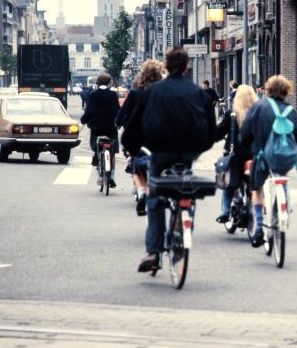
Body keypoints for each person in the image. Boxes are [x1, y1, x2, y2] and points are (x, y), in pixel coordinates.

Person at [122, 46, 216, 273]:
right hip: (188, 153)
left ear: (166, 65)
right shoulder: (199, 93)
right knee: (186, 190)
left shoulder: (151, 92)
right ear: (186, 67)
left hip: (161, 152)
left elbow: (134, 126)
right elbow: (211, 129)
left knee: (155, 198)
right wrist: (201, 148)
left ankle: (154, 252)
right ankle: (183, 226)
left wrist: (132, 148)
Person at [240, 75, 297, 247]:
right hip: (284, 158)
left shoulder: (258, 107)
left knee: (257, 189)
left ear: (267, 89)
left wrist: (246, 144)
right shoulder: (291, 111)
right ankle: (282, 207)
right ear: (286, 91)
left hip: (262, 156)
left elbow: (245, 134)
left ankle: (259, 228)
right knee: (281, 179)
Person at [117, 59, 164, 216]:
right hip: (159, 138)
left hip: (140, 136)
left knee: (137, 168)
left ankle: (142, 191)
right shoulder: (163, 91)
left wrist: (125, 141)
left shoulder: (136, 92)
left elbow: (127, 114)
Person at [214, 84, 257, 224]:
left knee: (229, 183)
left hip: (235, 155)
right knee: (256, 184)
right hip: (254, 155)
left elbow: (219, 133)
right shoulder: (258, 112)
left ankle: (225, 212)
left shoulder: (232, 114)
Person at [81, 74, 120, 187]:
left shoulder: (93, 95)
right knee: (112, 153)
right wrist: (119, 122)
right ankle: (111, 176)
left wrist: (84, 120)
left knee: (95, 145)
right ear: (109, 83)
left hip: (97, 128)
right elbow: (117, 110)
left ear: (98, 82)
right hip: (110, 129)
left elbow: (89, 111)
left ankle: (96, 156)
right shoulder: (113, 95)